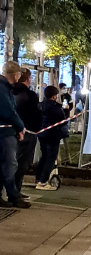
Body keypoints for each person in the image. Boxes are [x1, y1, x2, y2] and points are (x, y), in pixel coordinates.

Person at [0, 61, 30, 208]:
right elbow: (8, 111)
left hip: (5, 131)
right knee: (10, 165)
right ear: (15, 75)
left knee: (4, 165)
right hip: (4, 134)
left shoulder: (5, 88)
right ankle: (14, 196)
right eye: (19, 73)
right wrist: (20, 126)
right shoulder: (2, 89)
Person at [13, 68, 41, 197]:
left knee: (11, 162)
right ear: (28, 79)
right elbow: (35, 115)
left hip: (11, 131)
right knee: (21, 164)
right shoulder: (29, 95)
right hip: (27, 132)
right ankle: (15, 191)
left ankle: (11, 190)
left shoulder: (10, 92)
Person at [35, 86, 69, 191]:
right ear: (54, 96)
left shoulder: (40, 105)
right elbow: (64, 121)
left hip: (42, 134)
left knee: (44, 156)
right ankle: (43, 181)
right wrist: (66, 111)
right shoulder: (56, 109)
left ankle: (38, 178)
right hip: (53, 135)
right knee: (50, 157)